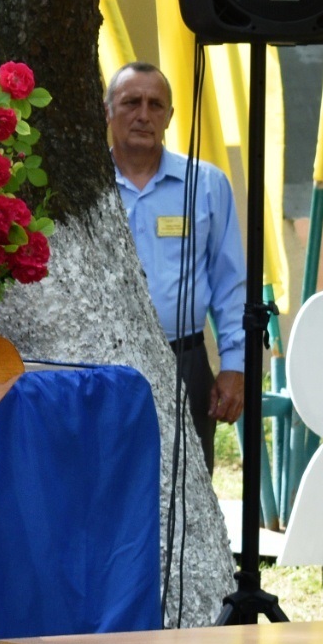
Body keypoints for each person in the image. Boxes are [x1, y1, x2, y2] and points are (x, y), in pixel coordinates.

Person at [106, 61, 247, 473]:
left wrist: (234, 365)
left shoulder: (206, 184)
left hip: (184, 359)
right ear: (108, 111)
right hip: (102, 364)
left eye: (156, 104)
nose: (143, 115)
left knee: (188, 484)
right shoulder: (84, 187)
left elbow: (229, 282)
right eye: (131, 102)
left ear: (170, 116)